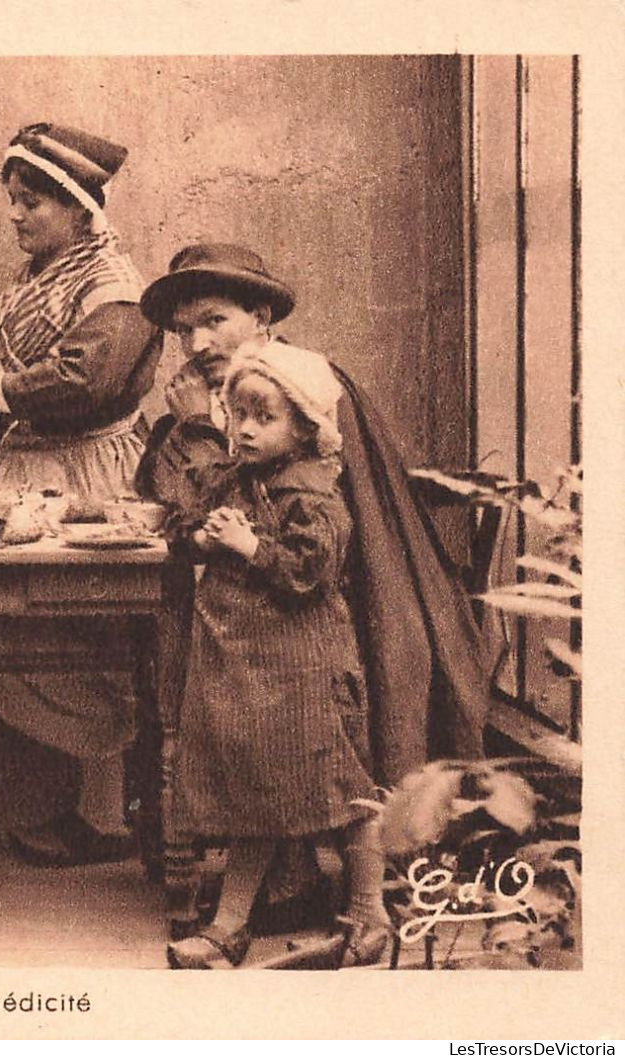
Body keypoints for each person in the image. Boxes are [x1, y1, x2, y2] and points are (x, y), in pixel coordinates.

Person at [137, 243, 491, 948]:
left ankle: (333, 895)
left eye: (214, 320)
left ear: (260, 315)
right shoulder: (221, 402)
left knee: (322, 765)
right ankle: (248, 889)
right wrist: (189, 433)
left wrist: (205, 433)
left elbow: (332, 544)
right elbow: (171, 499)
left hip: (329, 620)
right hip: (242, 632)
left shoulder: (305, 390)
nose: (197, 341)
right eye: (183, 329)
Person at [0, 122, 160, 869]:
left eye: (32, 203)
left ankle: (110, 814)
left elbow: (85, 380)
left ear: (77, 205)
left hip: (89, 471)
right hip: (27, 461)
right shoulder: (40, 276)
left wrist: (1, 384)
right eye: (14, 201)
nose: (17, 216)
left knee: (88, 642)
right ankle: (108, 800)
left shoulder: (112, 286)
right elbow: (5, 372)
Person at [158, 343, 389, 968]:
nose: (247, 429)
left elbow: (307, 575)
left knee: (345, 794)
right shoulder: (233, 479)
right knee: (256, 795)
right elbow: (179, 524)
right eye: (238, 414)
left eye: (265, 417)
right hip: (248, 672)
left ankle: (372, 917)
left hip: (305, 673)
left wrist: (247, 545)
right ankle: (230, 927)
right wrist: (199, 537)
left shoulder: (312, 493)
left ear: (307, 427)